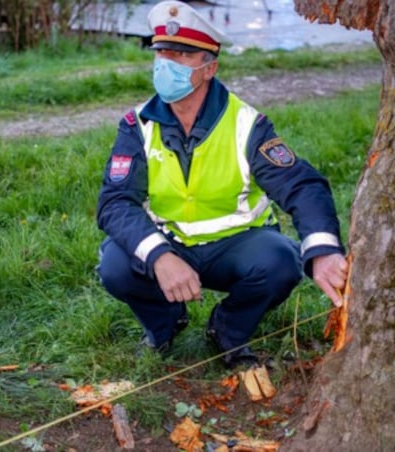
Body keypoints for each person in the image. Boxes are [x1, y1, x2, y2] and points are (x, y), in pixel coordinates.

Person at [95, 0, 348, 369]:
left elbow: (301, 184)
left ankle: (227, 331)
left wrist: (323, 248)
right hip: (171, 244)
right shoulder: (137, 124)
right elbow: (115, 202)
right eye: (161, 53)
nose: (167, 64)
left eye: (181, 55)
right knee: (115, 265)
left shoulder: (247, 123)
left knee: (281, 261)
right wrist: (159, 255)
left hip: (236, 247)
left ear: (209, 68)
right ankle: (165, 325)